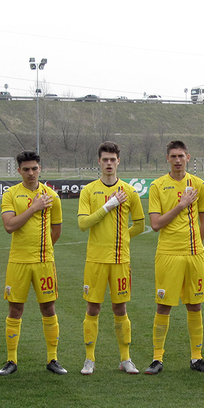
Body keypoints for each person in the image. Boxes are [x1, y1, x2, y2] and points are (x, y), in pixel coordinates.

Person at [145, 140, 204, 374]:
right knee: (163, 306)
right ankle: (157, 359)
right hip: (168, 254)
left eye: (181, 156)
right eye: (173, 156)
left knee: (195, 305)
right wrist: (181, 205)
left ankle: (197, 358)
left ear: (188, 157)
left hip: (194, 255)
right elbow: (155, 224)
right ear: (167, 158)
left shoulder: (199, 185)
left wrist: (195, 245)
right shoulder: (157, 186)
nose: (177, 160)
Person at [77, 141, 145, 375]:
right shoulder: (89, 191)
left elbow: (140, 224)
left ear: (118, 161)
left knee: (120, 307)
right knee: (93, 307)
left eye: (112, 159)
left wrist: (123, 238)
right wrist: (109, 205)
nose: (108, 163)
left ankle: (125, 358)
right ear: (99, 161)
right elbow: (83, 223)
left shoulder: (130, 191)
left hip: (120, 259)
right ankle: (89, 359)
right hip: (95, 260)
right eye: (104, 159)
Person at [0, 150, 67, 376]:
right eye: (25, 169)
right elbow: (10, 226)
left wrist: (43, 250)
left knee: (48, 308)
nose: (30, 173)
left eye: (34, 168)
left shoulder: (51, 196)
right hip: (18, 261)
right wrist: (34, 208)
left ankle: (53, 359)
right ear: (18, 170)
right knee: (15, 308)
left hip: (44, 262)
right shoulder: (10, 195)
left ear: (40, 169)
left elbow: (56, 230)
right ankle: (11, 360)